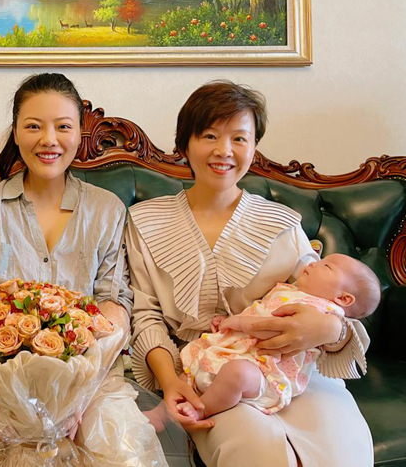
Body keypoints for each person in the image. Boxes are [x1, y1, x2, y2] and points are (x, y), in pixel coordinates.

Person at [126, 80, 374, 466]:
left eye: (239, 138)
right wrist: (171, 382)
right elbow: (146, 315)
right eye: (210, 135)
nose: (224, 150)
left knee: (342, 451)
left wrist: (332, 329)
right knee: (259, 453)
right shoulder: (145, 221)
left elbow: (326, 301)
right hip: (211, 376)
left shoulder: (282, 222)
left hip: (292, 372)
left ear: (254, 148)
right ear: (184, 144)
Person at [0, 73, 166, 466]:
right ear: (16, 132)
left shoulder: (106, 209)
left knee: (118, 448)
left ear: (80, 133)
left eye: (63, 127)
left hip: (91, 381)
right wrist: (0, 398)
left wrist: (76, 396)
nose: (49, 140)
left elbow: (114, 304)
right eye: (34, 126)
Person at [178, 253, 380, 420]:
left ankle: (202, 409)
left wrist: (238, 323)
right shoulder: (291, 290)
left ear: (343, 298)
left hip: (266, 371)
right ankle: (169, 411)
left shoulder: (321, 310)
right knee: (191, 361)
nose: (313, 262)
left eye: (326, 266)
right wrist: (229, 320)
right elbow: (259, 310)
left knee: (237, 374)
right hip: (238, 350)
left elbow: (275, 329)